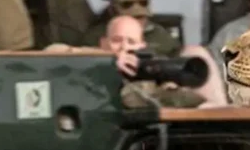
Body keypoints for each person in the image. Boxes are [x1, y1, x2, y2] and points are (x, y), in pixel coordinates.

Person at [48, 14, 228, 109]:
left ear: (142, 45)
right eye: (117, 40)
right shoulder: (89, 62)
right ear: (104, 43)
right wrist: (107, 61)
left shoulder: (149, 66)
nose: (124, 47)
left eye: (131, 42)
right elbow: (52, 52)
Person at [80, 0, 182, 57]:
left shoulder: (160, 35)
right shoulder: (95, 37)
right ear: (113, 8)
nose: (137, 10)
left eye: (143, 3)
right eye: (127, 4)